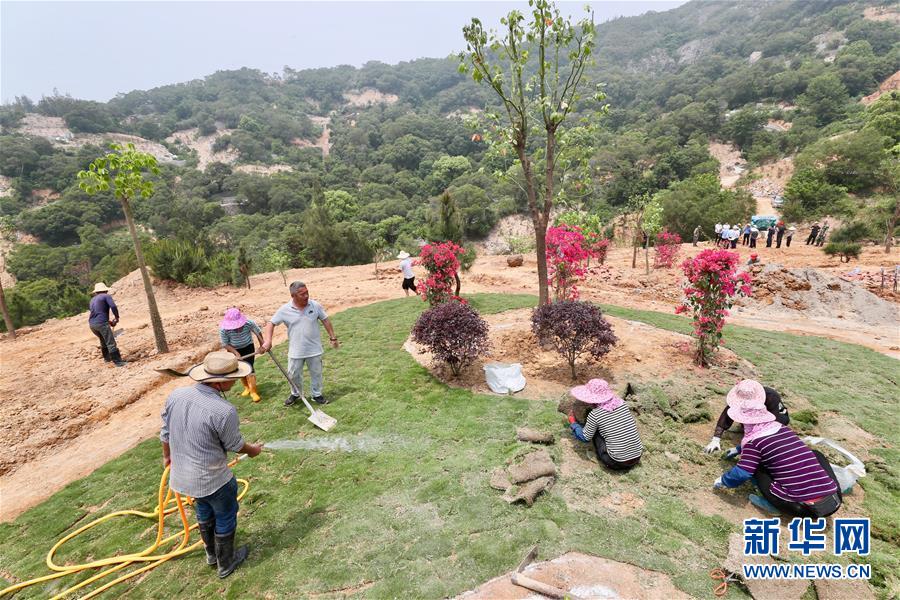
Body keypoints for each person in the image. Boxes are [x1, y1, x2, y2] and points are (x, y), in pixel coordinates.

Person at [160, 351, 263, 578]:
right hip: (214, 480)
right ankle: (226, 563)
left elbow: (165, 433)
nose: (236, 382)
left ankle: (211, 555)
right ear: (219, 381)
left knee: (204, 510)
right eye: (233, 378)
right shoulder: (224, 410)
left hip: (184, 478)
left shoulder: (176, 396)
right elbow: (235, 444)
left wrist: (167, 457)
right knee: (225, 515)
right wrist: (253, 450)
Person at [713, 380, 841, 517]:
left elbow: (743, 473)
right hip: (835, 500)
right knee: (815, 454)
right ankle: (821, 485)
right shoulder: (782, 429)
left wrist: (722, 480)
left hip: (803, 508)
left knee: (757, 467)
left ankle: (773, 505)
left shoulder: (753, 442)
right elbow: (770, 445)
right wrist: (739, 449)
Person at [259, 281, 339, 406]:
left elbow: (325, 320)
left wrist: (333, 338)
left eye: (307, 292)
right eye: (302, 294)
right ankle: (296, 394)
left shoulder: (315, 305)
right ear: (293, 296)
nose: (306, 296)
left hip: (314, 349)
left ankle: (317, 395)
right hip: (296, 351)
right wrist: (268, 341)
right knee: (293, 374)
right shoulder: (284, 310)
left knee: (316, 373)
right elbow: (271, 323)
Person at [567, 379, 643, 470]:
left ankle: (603, 456)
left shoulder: (595, 414)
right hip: (637, 456)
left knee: (595, 432)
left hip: (616, 462)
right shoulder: (622, 404)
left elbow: (585, 437)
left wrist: (573, 423)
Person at [704, 383, 788, 453]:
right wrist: (716, 439)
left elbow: (771, 423)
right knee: (742, 412)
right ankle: (747, 428)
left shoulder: (771, 396)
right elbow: (727, 413)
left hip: (777, 417)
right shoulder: (742, 394)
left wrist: (741, 448)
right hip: (756, 416)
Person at [219, 308, 263, 402]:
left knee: (249, 368)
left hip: (248, 347)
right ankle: (246, 387)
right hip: (233, 349)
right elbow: (225, 344)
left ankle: (253, 391)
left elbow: (258, 332)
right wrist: (235, 353)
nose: (237, 327)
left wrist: (262, 345)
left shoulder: (249, 323)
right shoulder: (224, 330)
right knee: (240, 369)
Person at [88, 282, 125, 367]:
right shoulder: (106, 296)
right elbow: (113, 306)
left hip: (92, 324)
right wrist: (117, 317)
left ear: (96, 292)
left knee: (103, 341)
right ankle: (118, 362)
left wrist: (108, 322)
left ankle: (107, 359)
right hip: (101, 323)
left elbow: (97, 313)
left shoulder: (92, 300)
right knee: (110, 342)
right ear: (105, 290)